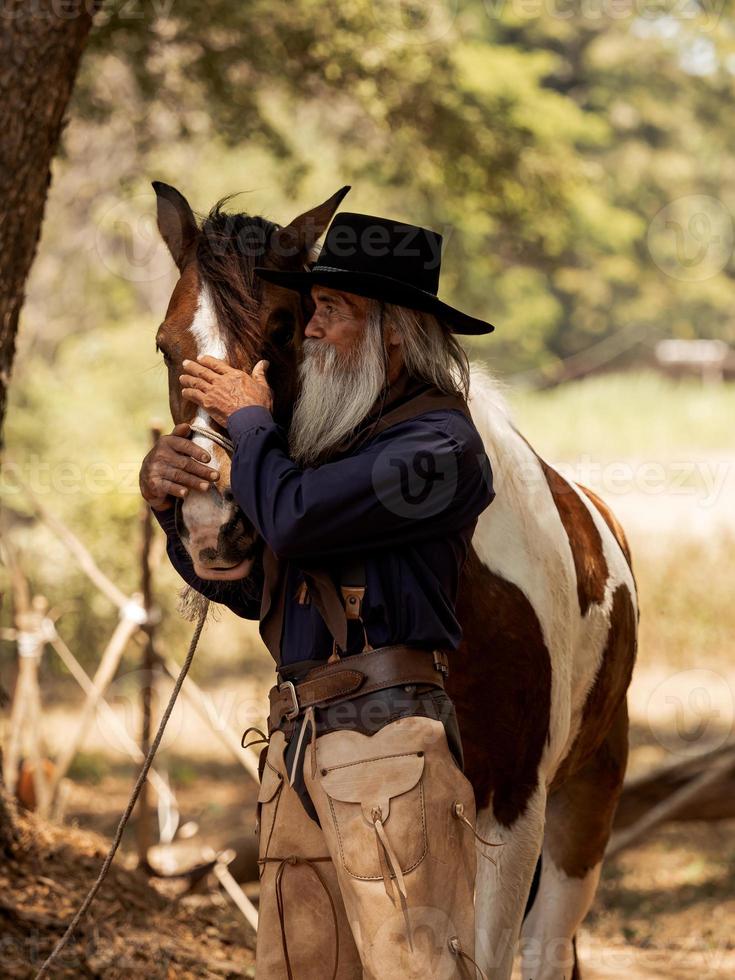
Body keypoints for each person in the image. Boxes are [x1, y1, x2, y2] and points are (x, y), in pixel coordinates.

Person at [139, 212, 496, 978]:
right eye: (313, 309)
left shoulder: (438, 446)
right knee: (299, 971)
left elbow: (296, 520)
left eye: (332, 311)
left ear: (395, 331)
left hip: (391, 751)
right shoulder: (324, 450)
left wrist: (251, 425)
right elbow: (247, 588)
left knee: (415, 968)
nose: (307, 329)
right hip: (297, 748)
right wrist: (172, 504)